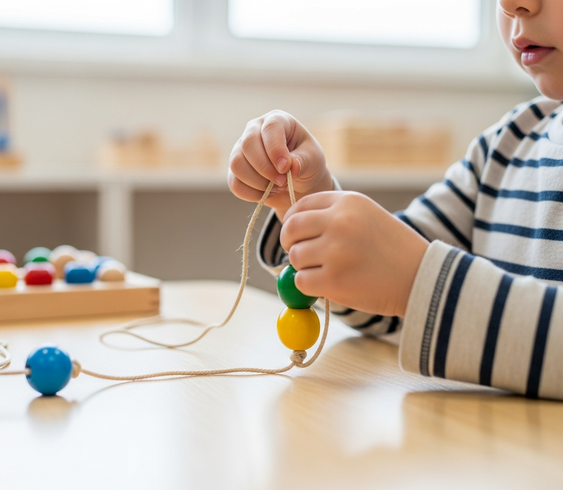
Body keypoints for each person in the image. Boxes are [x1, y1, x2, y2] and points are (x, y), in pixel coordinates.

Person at [227, 0, 563, 400]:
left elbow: (418, 284)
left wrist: (420, 283)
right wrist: (310, 199)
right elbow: (388, 291)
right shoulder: (506, 146)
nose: (512, 4)